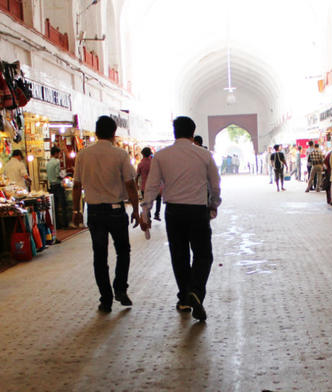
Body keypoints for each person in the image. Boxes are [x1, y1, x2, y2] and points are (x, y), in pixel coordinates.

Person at [141, 116, 221, 322]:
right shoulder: (204, 155)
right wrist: (213, 204)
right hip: (197, 211)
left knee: (179, 255)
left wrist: (146, 210)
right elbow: (215, 184)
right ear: (193, 133)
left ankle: (185, 297)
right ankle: (195, 291)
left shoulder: (162, 156)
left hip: (174, 212)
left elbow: (152, 185)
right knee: (203, 255)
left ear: (174, 132)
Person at [72, 116, 142, 313]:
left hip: (94, 212)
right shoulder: (120, 155)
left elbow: (76, 186)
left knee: (99, 256)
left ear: (95, 133)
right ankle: (120, 288)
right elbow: (130, 184)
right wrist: (136, 210)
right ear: (114, 134)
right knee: (123, 251)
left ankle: (105, 299)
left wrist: (76, 210)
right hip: (116, 211)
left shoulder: (83, 155)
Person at [136, 147, 161, 220]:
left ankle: (148, 214)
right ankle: (157, 214)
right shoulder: (154, 163)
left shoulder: (140, 164)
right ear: (150, 154)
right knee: (158, 199)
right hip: (154, 186)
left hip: (144, 187)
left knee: (146, 202)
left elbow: (137, 176)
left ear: (142, 154)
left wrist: (136, 185)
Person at [46, 146, 68, 228]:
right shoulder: (57, 161)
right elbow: (57, 174)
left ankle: (57, 224)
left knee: (54, 206)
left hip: (51, 186)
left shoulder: (48, 163)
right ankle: (65, 223)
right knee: (63, 205)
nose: (59, 155)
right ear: (55, 153)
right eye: (59, 153)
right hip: (58, 185)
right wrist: (63, 176)